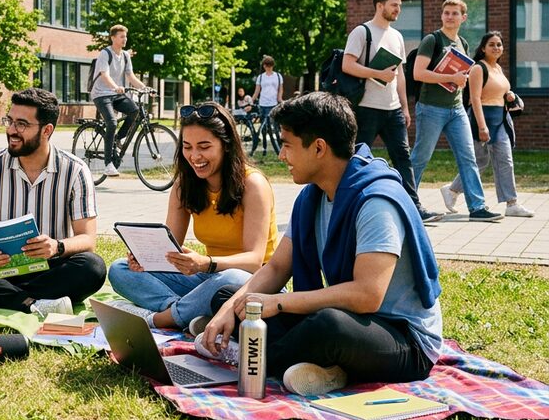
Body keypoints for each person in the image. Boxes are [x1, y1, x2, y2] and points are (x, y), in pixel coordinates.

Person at [197, 92, 443, 397]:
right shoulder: (312, 197)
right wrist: (228, 311)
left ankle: (246, 356)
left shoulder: (375, 201)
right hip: (354, 322)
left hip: (403, 340)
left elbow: (367, 296)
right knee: (234, 299)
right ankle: (325, 370)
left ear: (318, 148)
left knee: (327, 325)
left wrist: (279, 303)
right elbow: (276, 267)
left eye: (287, 145)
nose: (281, 156)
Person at [0, 88, 107, 316]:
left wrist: (56, 246)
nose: (12, 130)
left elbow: (87, 238)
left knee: (93, 267)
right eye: (10, 121)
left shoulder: (75, 170)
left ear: (47, 130)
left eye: (22, 124)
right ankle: (32, 304)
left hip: (51, 269)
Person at [107, 102, 278, 331]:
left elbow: (254, 260)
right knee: (119, 269)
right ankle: (183, 311)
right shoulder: (184, 185)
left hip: (252, 283)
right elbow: (169, 251)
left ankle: (160, 319)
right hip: (206, 279)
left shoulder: (252, 184)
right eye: (187, 147)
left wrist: (205, 263)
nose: (195, 156)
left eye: (204, 146)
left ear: (225, 145)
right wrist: (147, 258)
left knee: (231, 279)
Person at [341, 0, 440, 222]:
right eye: (394, 5)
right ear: (380, 5)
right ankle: (347, 204)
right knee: (358, 156)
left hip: (392, 108)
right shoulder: (361, 32)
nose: (398, 9)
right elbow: (347, 64)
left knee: (403, 157)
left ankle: (414, 208)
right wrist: (376, 72)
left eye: (400, 6)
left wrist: (405, 107)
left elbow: (400, 75)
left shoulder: (396, 36)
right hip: (366, 107)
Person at [410, 0, 502, 221]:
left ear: (463, 18)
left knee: (468, 158)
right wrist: (451, 77)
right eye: (446, 13)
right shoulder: (432, 40)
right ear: (442, 16)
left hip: (456, 109)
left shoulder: (463, 43)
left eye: (454, 13)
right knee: (421, 158)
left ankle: (477, 208)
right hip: (431, 108)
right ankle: (408, 204)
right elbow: (418, 73)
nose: (450, 17)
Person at [442, 32, 533, 218]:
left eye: (499, 44)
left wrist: (510, 96)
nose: (496, 48)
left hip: (500, 120)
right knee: (478, 161)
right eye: (492, 44)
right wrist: (482, 127)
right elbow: (474, 99)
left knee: (505, 160)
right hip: (480, 118)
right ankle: (452, 190)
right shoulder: (478, 68)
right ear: (483, 48)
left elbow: (501, 92)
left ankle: (511, 203)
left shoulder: (498, 68)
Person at [90, 24, 148, 177]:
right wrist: (116, 87)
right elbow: (105, 74)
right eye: (121, 36)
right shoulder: (105, 53)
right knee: (112, 122)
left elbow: (131, 76)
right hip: (101, 94)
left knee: (134, 111)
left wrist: (145, 88)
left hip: (116, 93)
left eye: (125, 36)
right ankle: (108, 164)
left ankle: (117, 139)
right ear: (113, 38)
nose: (125, 39)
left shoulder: (125, 55)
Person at [250, 55, 284, 154]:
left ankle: (280, 148)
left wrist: (280, 98)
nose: (268, 67)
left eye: (270, 65)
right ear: (264, 66)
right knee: (264, 127)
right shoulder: (261, 77)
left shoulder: (278, 76)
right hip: (263, 104)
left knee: (276, 126)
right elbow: (257, 91)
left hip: (274, 104)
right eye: (267, 65)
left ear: (272, 65)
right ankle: (264, 148)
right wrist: (251, 101)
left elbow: (280, 89)